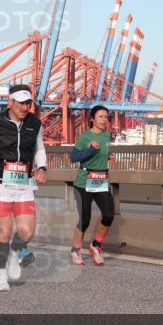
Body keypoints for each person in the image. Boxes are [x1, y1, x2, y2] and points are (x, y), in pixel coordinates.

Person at [0, 84, 47, 292]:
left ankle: (14, 253)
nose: (25, 107)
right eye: (21, 103)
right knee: (4, 230)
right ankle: (1, 275)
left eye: (28, 103)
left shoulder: (35, 124)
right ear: (10, 102)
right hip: (0, 184)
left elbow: (39, 149)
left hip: (24, 184)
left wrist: (42, 167)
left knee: (27, 232)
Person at [69, 105, 114, 266]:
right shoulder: (84, 137)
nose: (104, 120)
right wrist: (90, 150)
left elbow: (105, 151)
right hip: (84, 182)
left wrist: (109, 156)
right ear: (92, 119)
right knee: (85, 220)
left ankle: (96, 245)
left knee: (109, 215)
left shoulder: (108, 135)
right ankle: (75, 250)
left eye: (106, 117)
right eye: (100, 116)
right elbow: (73, 158)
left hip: (101, 181)